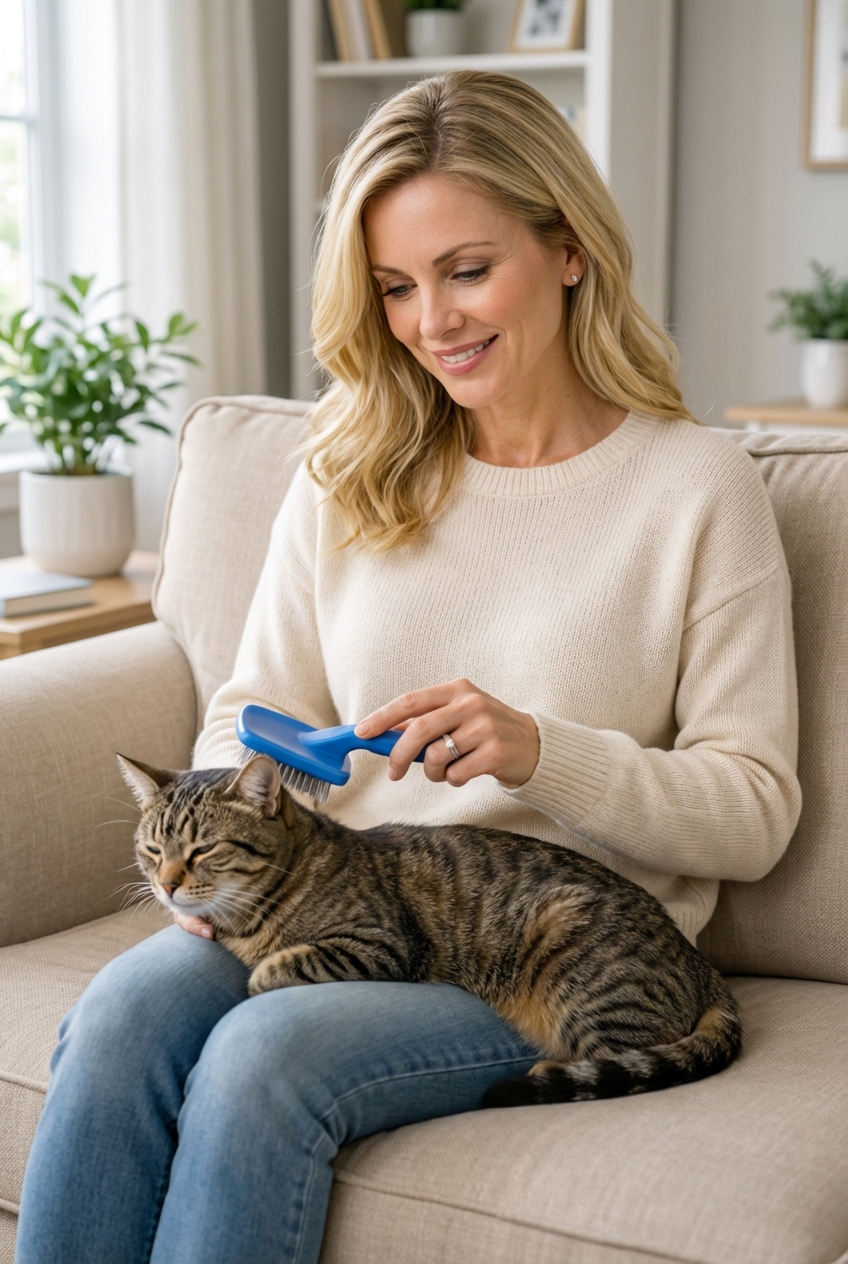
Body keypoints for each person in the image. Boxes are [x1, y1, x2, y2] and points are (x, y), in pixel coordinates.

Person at [15, 71, 801, 1264]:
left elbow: (752, 812)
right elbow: (246, 712)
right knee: (122, 1012)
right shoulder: (349, 463)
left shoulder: (696, 487)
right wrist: (268, 793)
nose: (430, 321)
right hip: (313, 897)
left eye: (466, 269)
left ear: (569, 248)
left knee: (263, 1058)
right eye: (393, 286)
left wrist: (548, 752)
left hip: (524, 953)